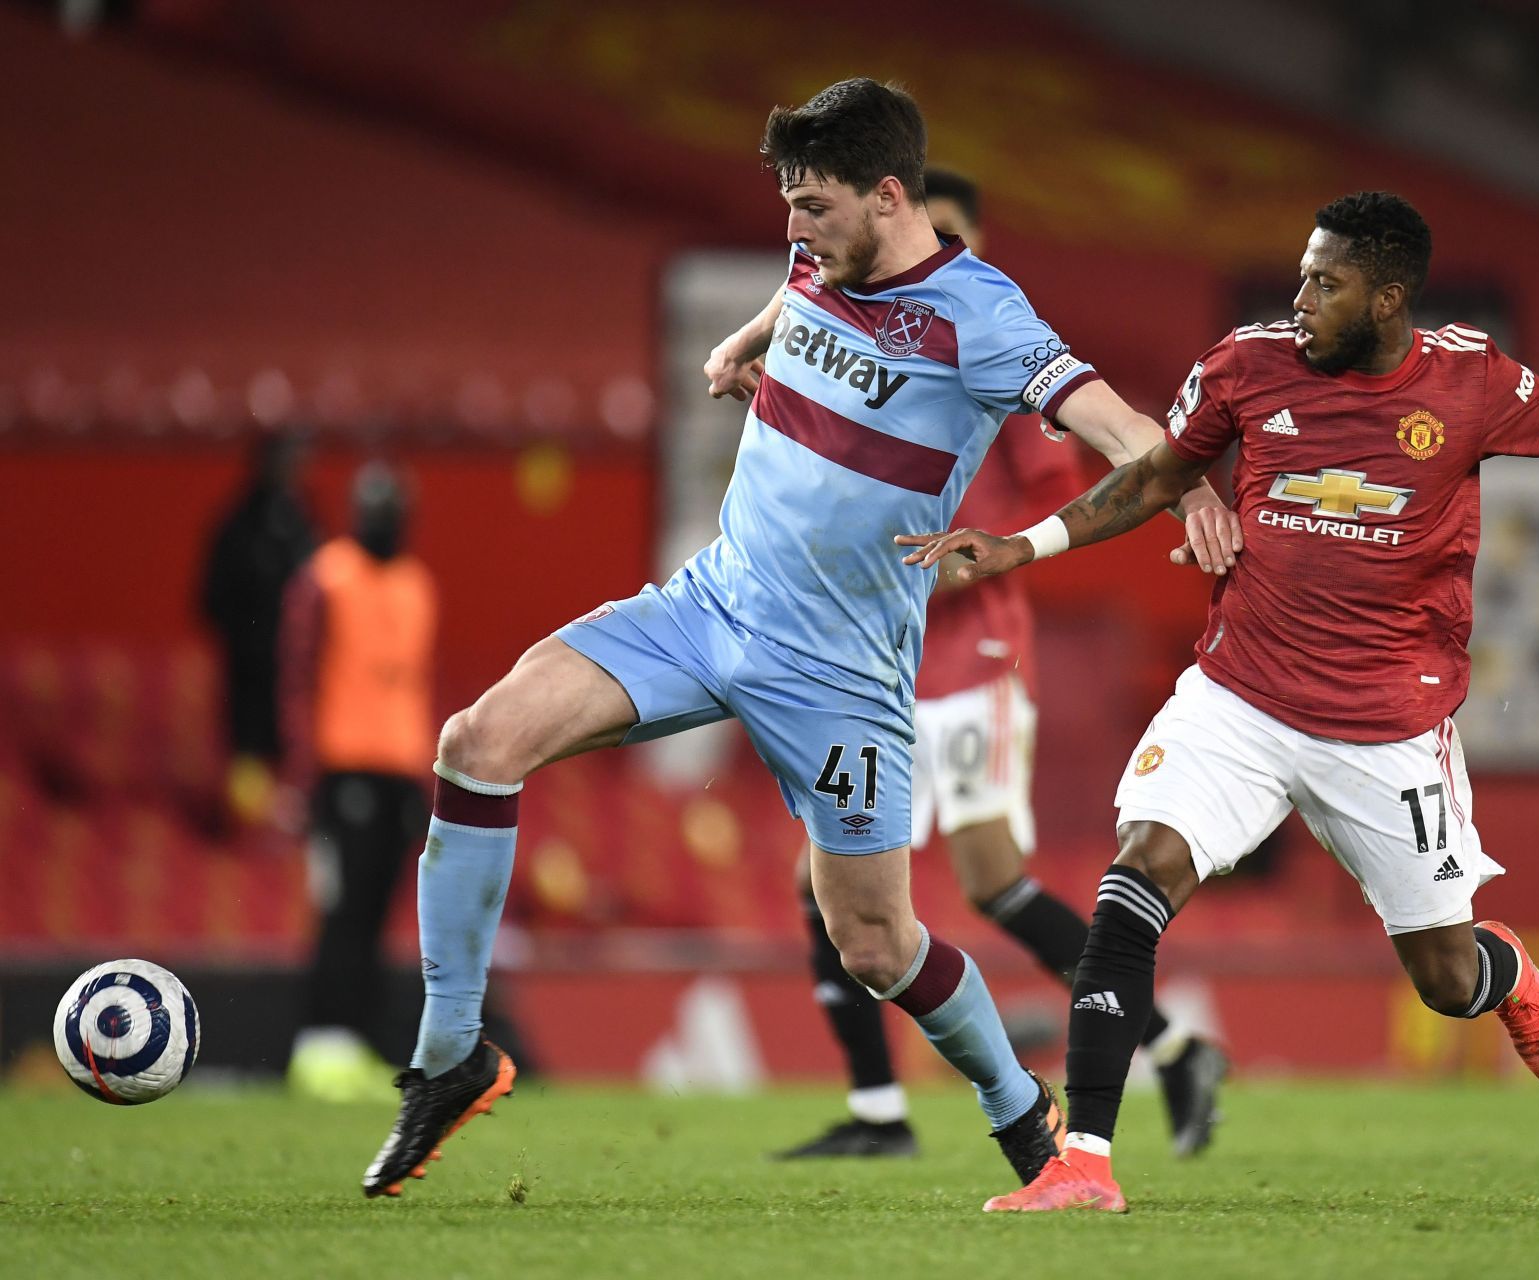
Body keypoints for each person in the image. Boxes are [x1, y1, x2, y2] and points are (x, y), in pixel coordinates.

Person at [901, 190, 1539, 1213]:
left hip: (1386, 728)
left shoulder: (1472, 381)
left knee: (1445, 980)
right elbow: (1154, 476)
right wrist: (1025, 545)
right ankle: (1085, 1163)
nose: (1302, 296)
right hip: (1238, 695)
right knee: (1134, 878)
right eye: (1301, 273)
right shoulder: (1247, 363)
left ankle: (1505, 973)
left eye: (1326, 281)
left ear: (1390, 295)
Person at [360, 78, 1239, 1199]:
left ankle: (1021, 1116)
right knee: (476, 742)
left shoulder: (981, 316)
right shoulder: (822, 258)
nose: (791, 227)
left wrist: (1189, 490)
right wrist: (740, 345)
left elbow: (1118, 426)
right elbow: (793, 297)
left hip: (842, 677)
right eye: (787, 202)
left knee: (877, 946)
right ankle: (449, 1058)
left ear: (888, 194)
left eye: (812, 204)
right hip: (708, 606)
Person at [775, 169, 1228, 1163]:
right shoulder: (864, 343)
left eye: (955, 239)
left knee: (991, 880)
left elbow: (1044, 511)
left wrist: (930, 565)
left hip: (968, 659)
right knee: (821, 883)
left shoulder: (1003, 365)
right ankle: (879, 1109)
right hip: (873, 661)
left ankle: (1175, 1045)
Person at [280, 464, 435, 1102]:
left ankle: (356, 1044)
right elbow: (297, 677)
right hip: (341, 768)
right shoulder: (326, 576)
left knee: (375, 914)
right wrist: (301, 776)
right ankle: (319, 1045)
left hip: (400, 769)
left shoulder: (417, 585)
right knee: (340, 911)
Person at [200, 430, 316, 821]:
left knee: (297, 751)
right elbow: (211, 599)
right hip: (250, 668)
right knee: (249, 753)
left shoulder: (305, 522)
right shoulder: (237, 526)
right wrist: (249, 637)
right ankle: (250, 832)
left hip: (299, 669)